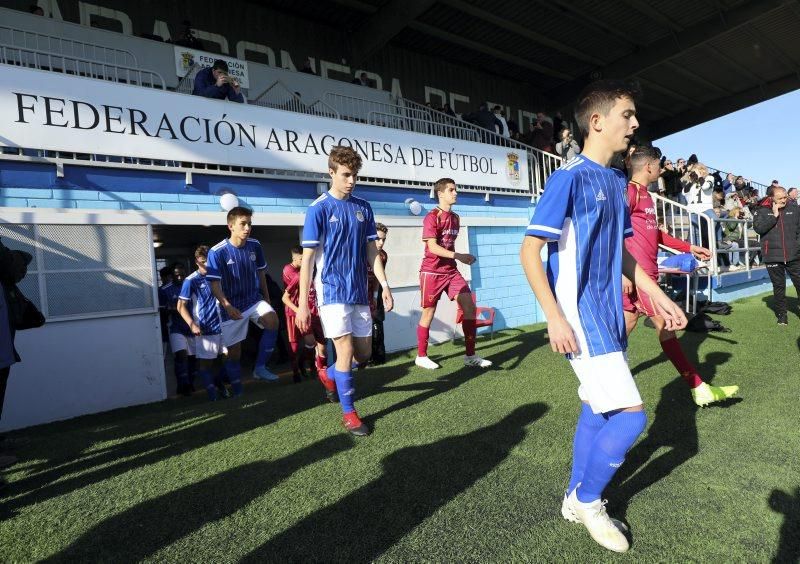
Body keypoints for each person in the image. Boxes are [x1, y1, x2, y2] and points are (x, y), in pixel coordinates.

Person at [520, 79, 688, 553]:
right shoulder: (567, 178)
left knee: (598, 405)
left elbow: (622, 257)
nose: (634, 124)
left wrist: (657, 296)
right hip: (579, 315)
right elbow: (530, 251)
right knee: (632, 418)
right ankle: (589, 499)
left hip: (609, 311)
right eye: (627, 114)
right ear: (596, 122)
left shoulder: (617, 183)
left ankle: (575, 498)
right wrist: (553, 317)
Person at [623, 146, 739, 406]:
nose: (662, 169)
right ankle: (698, 388)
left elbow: (656, 235)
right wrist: (625, 273)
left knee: (626, 326)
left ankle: (602, 373)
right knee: (666, 326)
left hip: (644, 275)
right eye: (659, 165)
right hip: (639, 276)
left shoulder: (646, 195)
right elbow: (614, 231)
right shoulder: (629, 192)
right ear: (649, 167)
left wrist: (689, 247)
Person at [297, 146, 393, 436]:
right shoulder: (318, 209)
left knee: (363, 355)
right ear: (331, 173)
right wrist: (303, 304)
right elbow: (308, 261)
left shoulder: (363, 207)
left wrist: (384, 286)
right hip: (331, 290)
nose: (351, 181)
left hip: (359, 292)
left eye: (355, 175)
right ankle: (350, 414)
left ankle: (329, 375)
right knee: (346, 348)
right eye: (346, 175)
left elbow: (371, 252)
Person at [415, 178, 492, 370]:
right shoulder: (432, 216)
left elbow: (448, 245)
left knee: (469, 306)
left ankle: (470, 355)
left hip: (450, 271)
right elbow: (432, 247)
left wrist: (455, 259)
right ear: (440, 194)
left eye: (455, 189)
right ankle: (421, 356)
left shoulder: (456, 218)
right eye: (451, 190)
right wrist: (458, 256)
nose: (455, 193)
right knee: (429, 313)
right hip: (431, 271)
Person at [207, 207, 280, 394]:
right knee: (234, 355)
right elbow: (214, 285)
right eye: (243, 224)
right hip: (230, 307)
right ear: (230, 226)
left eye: (249, 224)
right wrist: (227, 305)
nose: (247, 228)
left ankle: (260, 368)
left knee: (272, 320)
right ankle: (232, 387)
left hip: (253, 300)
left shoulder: (255, 245)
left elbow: (261, 273)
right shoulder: (217, 252)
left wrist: (267, 298)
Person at [177, 246, 231, 400]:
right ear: (196, 262)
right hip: (205, 328)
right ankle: (212, 395)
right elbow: (180, 306)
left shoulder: (219, 274)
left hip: (224, 323)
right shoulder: (190, 280)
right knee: (206, 364)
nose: (205, 265)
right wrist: (192, 324)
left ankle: (219, 384)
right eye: (202, 262)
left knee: (227, 357)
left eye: (208, 262)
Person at [282, 246, 333, 397]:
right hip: (299, 314)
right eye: (303, 259)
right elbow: (284, 298)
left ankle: (320, 372)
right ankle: (299, 370)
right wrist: (300, 311)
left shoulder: (321, 273)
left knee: (323, 347)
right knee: (303, 343)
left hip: (318, 315)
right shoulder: (296, 275)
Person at [752, 186, 800, 325]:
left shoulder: (794, 208)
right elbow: (758, 229)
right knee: (779, 287)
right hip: (772, 255)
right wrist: (774, 215)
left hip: (794, 255)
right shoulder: (761, 210)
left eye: (785, 197)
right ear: (771, 197)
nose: (784, 200)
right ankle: (782, 316)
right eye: (780, 198)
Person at [161, 263, 196, 396]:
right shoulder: (165, 290)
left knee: (193, 358)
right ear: (171, 276)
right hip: (175, 327)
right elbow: (162, 310)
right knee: (181, 356)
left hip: (192, 327)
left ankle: (190, 383)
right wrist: (173, 310)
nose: (180, 277)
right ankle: (183, 385)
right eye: (177, 275)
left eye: (182, 274)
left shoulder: (191, 287)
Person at [368, 223, 389, 365]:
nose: (381, 243)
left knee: (377, 322)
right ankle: (365, 358)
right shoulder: (359, 252)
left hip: (375, 292)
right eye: (378, 239)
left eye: (384, 240)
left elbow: (377, 277)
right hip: (359, 294)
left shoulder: (383, 256)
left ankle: (379, 357)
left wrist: (375, 296)